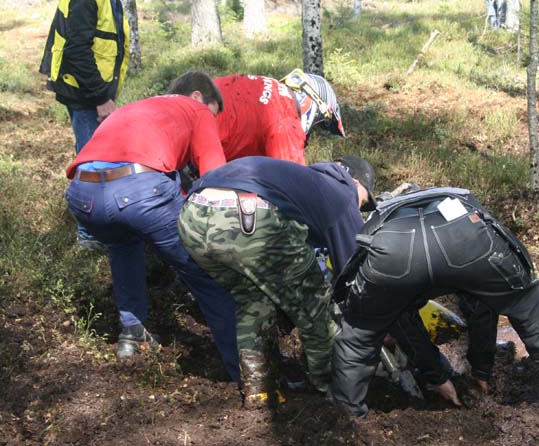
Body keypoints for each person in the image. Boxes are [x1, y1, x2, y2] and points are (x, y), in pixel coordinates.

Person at [329, 187, 539, 418]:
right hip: (465, 235)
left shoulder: (382, 216)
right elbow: (483, 307)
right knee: (531, 310)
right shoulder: (458, 200)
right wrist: (481, 370)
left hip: (390, 249)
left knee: (357, 338)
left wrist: (437, 376)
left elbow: (400, 322)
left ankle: (348, 419)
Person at [63, 71, 240, 382]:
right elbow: (217, 180)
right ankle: (245, 368)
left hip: (82, 195)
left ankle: (132, 332)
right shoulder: (197, 110)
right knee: (203, 269)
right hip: (138, 191)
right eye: (214, 115)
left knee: (123, 247)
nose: (211, 123)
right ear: (198, 98)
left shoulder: (140, 107)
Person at [177, 155, 376, 407]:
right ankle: (333, 386)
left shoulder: (297, 180)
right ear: (356, 182)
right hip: (246, 217)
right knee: (315, 305)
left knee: (252, 300)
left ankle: (260, 390)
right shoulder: (342, 195)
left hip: (192, 217)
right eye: (364, 202)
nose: (359, 210)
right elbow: (357, 275)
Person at [40, 0, 156, 247]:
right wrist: (101, 98)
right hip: (83, 91)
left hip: (94, 90)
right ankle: (88, 233)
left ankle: (97, 223)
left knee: (96, 155)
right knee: (90, 161)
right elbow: (77, 50)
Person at [213, 70, 345, 165]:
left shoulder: (266, 84)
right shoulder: (287, 120)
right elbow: (290, 183)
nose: (310, 137)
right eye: (317, 126)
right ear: (316, 108)